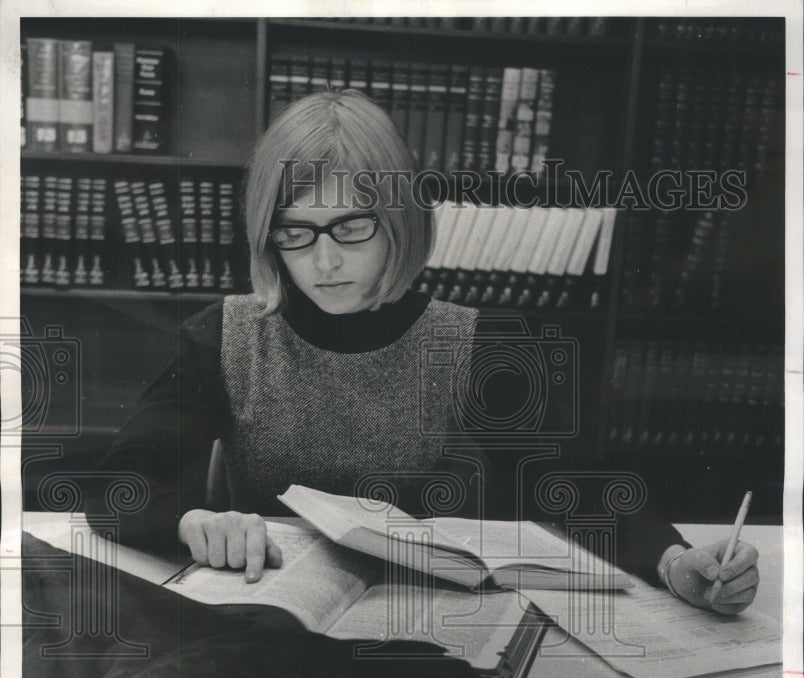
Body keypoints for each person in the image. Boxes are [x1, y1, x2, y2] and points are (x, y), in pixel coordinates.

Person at [86, 89, 759, 616]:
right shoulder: (223, 334)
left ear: (400, 222)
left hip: (420, 620)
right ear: (268, 239)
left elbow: (579, 488)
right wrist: (193, 520)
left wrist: (674, 560)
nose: (323, 261)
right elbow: (118, 487)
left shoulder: (480, 339)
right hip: (268, 610)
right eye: (294, 233)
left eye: (350, 226)